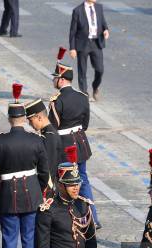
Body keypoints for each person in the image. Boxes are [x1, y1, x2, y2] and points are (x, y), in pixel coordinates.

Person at [0, 84, 49, 248]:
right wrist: (37, 191)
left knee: (9, 240)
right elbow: (44, 173)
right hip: (31, 193)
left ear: (9, 119)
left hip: (8, 195)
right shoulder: (36, 140)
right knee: (29, 238)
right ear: (24, 118)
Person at [48, 56, 100, 228]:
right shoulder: (82, 97)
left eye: (55, 77)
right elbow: (85, 124)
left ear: (61, 79)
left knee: (62, 181)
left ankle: (66, 217)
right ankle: (93, 217)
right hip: (80, 142)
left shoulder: (58, 101)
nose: (54, 80)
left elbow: (52, 128)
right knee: (83, 179)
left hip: (64, 145)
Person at [68, 0, 109, 99]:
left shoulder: (99, 7)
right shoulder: (77, 11)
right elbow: (72, 31)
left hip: (96, 43)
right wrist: (72, 48)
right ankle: (84, 93)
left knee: (100, 69)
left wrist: (106, 30)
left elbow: (102, 22)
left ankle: (95, 87)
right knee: (82, 70)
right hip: (83, 44)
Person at [25, 98, 64, 186]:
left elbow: (49, 168)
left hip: (48, 187)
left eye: (31, 120)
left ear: (39, 117)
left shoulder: (49, 137)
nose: (30, 124)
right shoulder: (48, 133)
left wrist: (42, 189)